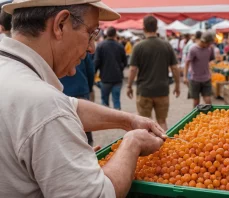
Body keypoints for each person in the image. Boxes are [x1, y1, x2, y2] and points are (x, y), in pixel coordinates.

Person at [0, 1, 165, 197]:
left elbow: (71, 108)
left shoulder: (12, 73)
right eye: (92, 33)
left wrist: (128, 120)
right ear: (60, 24)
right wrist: (132, 143)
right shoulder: (44, 104)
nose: (92, 48)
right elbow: (95, 195)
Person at [127, 15, 180, 131]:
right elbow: (175, 68)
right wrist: (177, 85)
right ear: (156, 28)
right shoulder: (166, 45)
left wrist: (129, 86)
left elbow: (133, 69)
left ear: (144, 28)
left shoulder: (138, 46)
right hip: (162, 90)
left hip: (144, 90)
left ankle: (149, 148)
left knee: (145, 123)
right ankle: (165, 147)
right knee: (162, 121)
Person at [60, 53, 95, 146]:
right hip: (81, 88)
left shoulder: (54, 48)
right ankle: (88, 144)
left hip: (63, 91)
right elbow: (91, 71)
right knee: (85, 121)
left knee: (66, 124)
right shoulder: (81, 48)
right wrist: (90, 88)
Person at [95, 26, 127, 110]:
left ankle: (106, 121)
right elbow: (125, 62)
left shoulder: (100, 46)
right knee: (116, 100)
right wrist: (120, 69)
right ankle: (118, 120)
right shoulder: (120, 46)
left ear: (106, 34)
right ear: (115, 34)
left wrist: (93, 75)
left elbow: (96, 62)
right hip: (117, 77)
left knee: (104, 102)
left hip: (105, 78)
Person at [184, 31, 215, 107]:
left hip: (206, 78)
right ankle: (196, 117)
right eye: (209, 43)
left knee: (208, 100)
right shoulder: (193, 49)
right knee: (196, 101)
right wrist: (185, 77)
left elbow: (210, 60)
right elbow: (187, 63)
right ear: (204, 41)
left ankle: (210, 117)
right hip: (195, 79)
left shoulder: (209, 49)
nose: (210, 45)